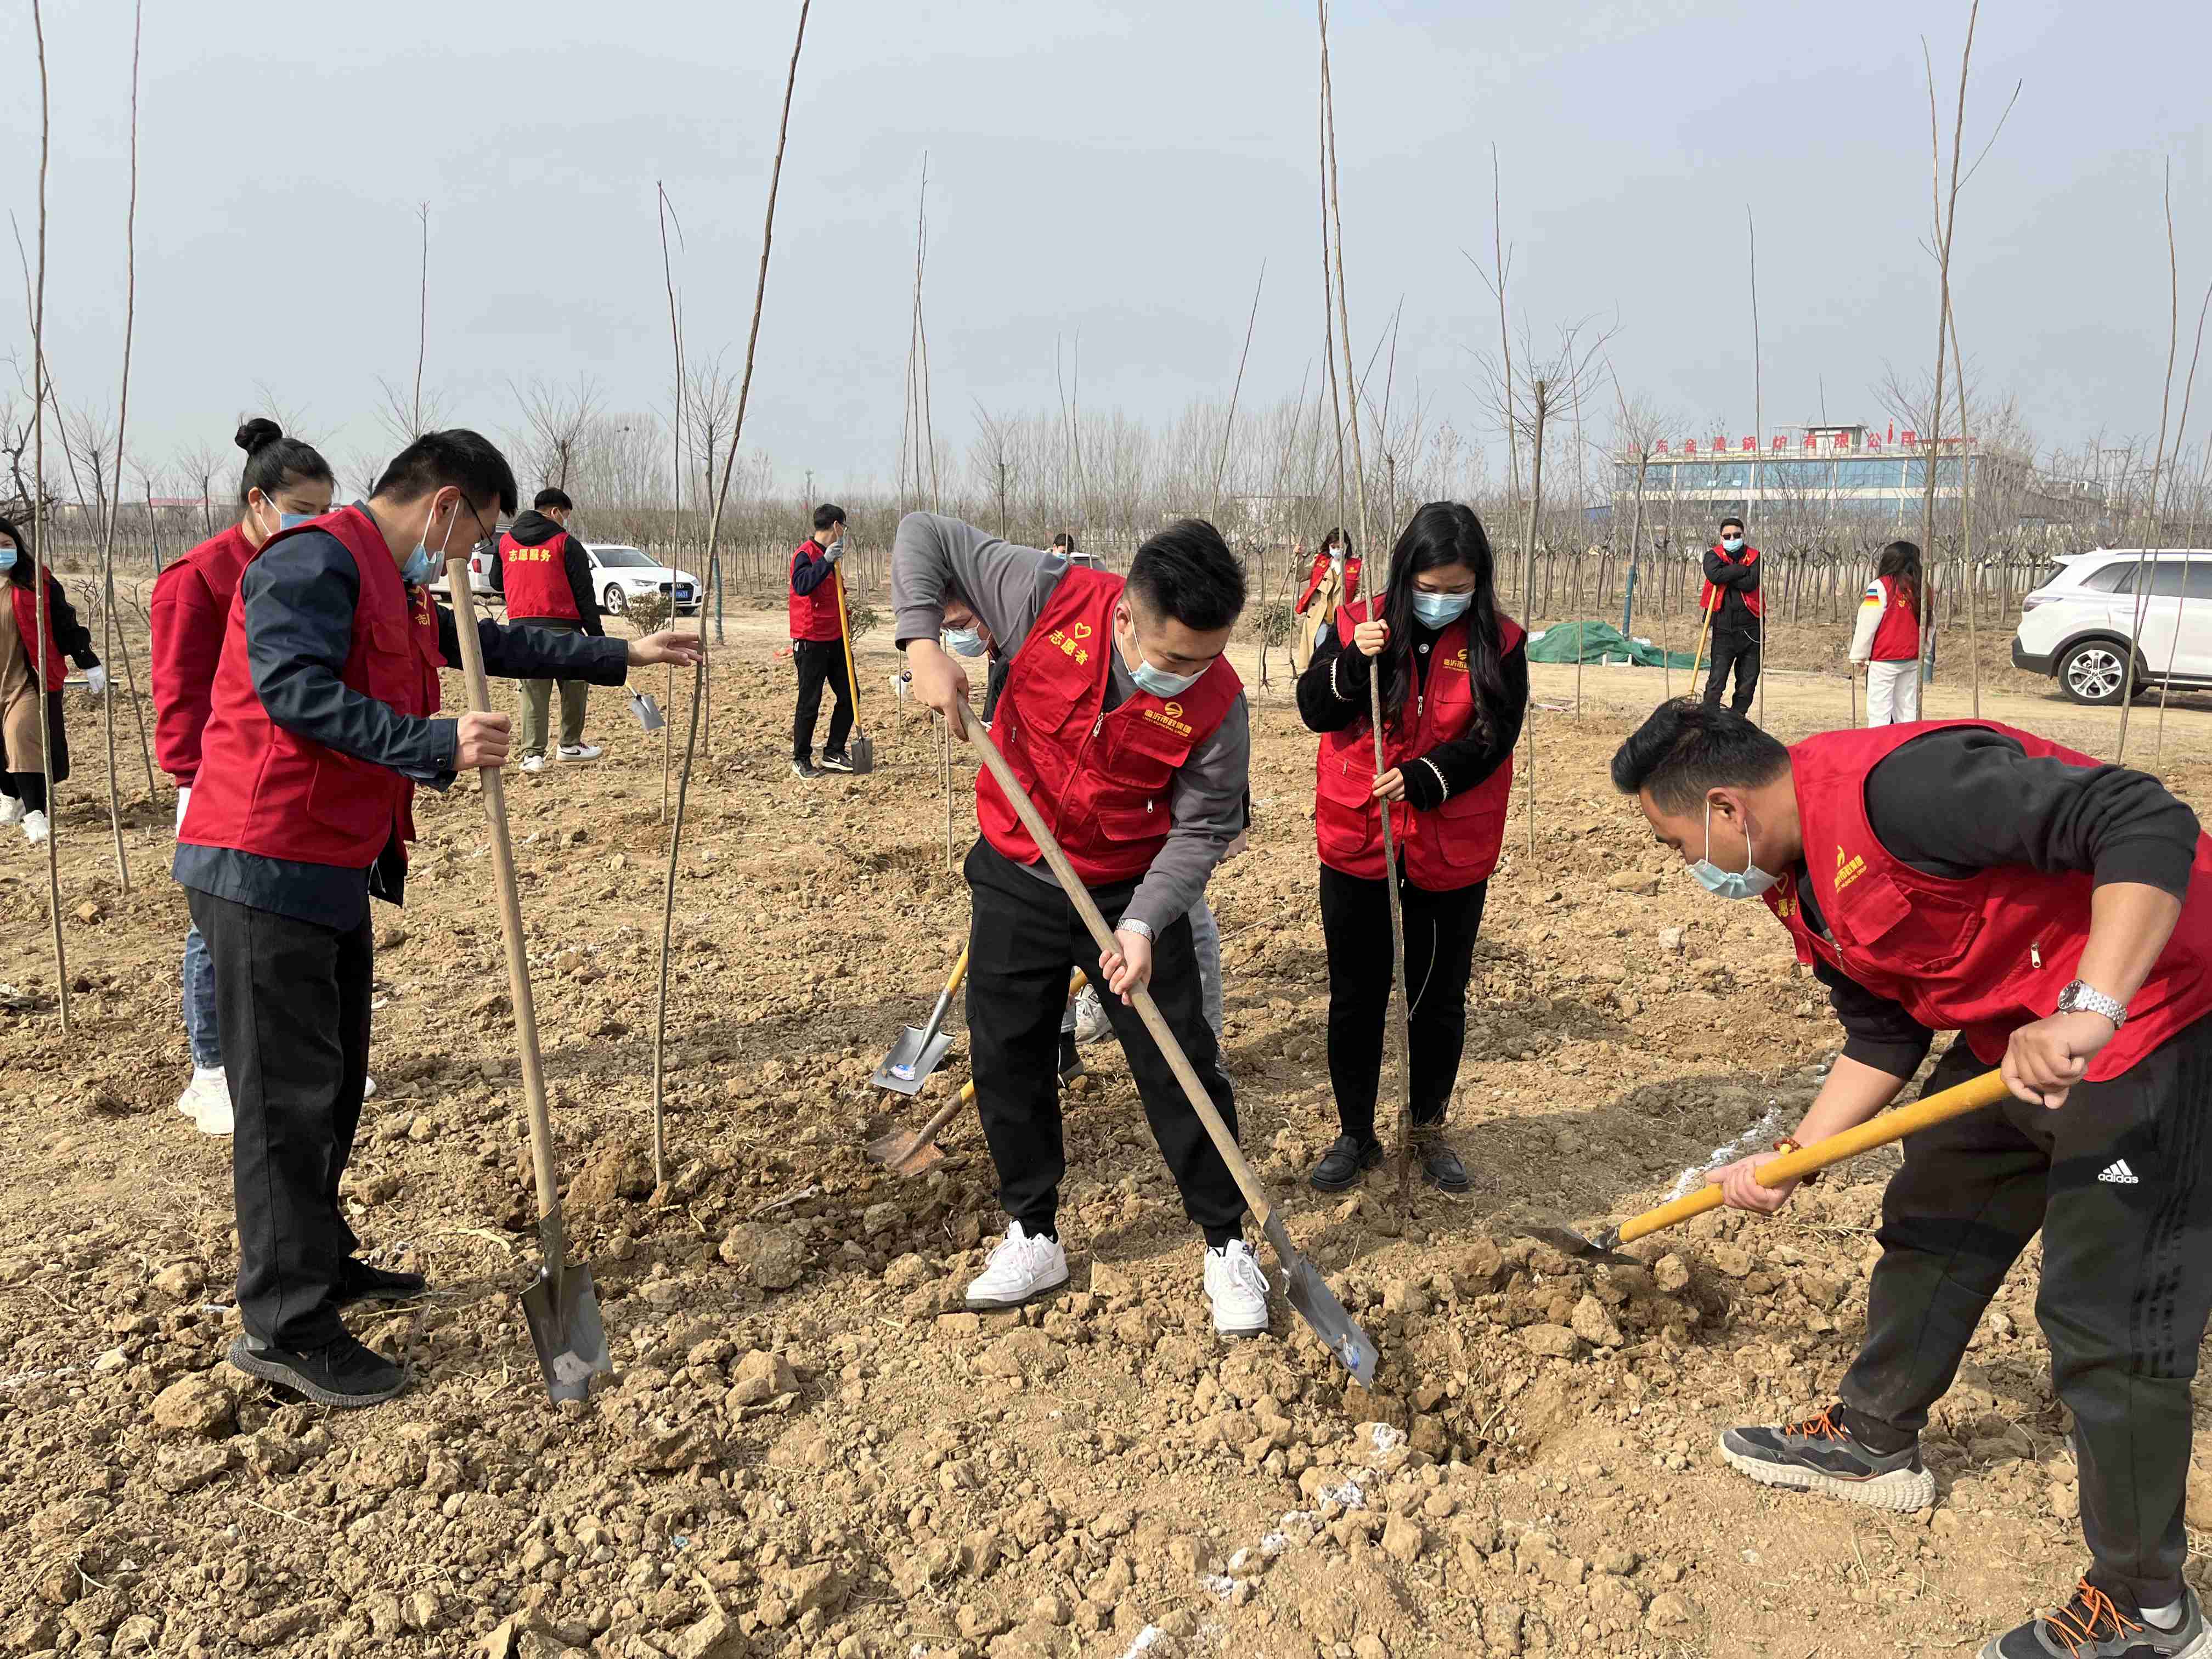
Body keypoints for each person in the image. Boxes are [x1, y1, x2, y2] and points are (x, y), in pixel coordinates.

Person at [1611, 698, 2212, 1659]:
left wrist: (2089, 1007)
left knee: (2107, 1310)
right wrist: (1795, 1155)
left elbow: (2144, 816)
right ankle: (1874, 1433)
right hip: (2015, 1029)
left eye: (1673, 840)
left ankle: (2149, 1608)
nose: (1683, 863)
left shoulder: (1903, 791)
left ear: (1728, 809)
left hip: (2156, 1011)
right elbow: (1884, 1029)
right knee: (1935, 1200)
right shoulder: (1796, 880)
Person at [176, 428, 701, 1409]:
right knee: (285, 1102)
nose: (472, 563)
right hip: (260, 859)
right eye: (480, 539)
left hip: (327, 864)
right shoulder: (313, 562)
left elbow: (490, 642)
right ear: (448, 504)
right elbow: (293, 693)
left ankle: (321, 1260)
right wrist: (432, 739)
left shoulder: (400, 582)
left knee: (329, 1090)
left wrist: (618, 651)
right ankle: (283, 1325)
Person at [896, 511, 1267, 1335]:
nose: (1189, 675)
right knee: (1008, 1052)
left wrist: (1142, 924)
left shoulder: (1218, 703)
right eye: (1173, 658)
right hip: (1019, 865)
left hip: (1129, 887)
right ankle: (1033, 1232)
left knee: (1179, 1063)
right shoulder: (1045, 593)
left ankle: (1225, 1241)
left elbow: (1203, 827)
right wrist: (922, 645)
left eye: (1208, 658)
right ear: (1126, 615)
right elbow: (925, 535)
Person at [1296, 501, 1526, 1193]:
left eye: (1457, 588)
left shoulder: (1502, 643)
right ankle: (1355, 1134)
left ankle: (1427, 1130)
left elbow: (1495, 736)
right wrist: (1347, 665)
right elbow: (1314, 709)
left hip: (1449, 839)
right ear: (1405, 576)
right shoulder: (1357, 621)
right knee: (1357, 994)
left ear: (1479, 583)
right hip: (1360, 835)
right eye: (1429, 586)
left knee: (1438, 997)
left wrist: (1430, 778)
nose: (1441, 600)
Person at [152, 419, 337, 1135]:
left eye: (325, 513)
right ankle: (212, 1072)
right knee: (217, 931)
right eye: (303, 512)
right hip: (217, 786)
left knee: (291, 923)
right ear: (258, 501)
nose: (315, 527)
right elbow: (179, 696)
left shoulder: (312, 569)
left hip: (289, 779)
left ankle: (288, 1058)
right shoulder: (198, 580)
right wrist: (196, 784)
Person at [0, 514, 103, 847]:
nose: (2, 552)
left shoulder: (35, 581)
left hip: (30, 677)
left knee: (21, 736)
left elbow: (63, 620)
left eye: (6, 545)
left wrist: (86, 660)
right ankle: (9, 795)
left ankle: (35, 813)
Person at [499, 487, 606, 772]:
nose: (564, 522)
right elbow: (584, 594)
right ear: (556, 512)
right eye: (565, 516)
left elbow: (497, 581)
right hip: (564, 627)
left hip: (523, 629)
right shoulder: (565, 543)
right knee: (574, 687)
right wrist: (597, 636)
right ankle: (569, 745)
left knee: (533, 693)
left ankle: (532, 755)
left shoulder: (506, 543)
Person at [791, 504, 857, 778]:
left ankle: (834, 751)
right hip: (811, 639)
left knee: (851, 695)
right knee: (810, 701)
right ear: (837, 526)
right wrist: (826, 561)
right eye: (844, 528)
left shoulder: (834, 557)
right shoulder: (805, 554)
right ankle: (801, 758)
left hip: (836, 638)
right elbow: (802, 585)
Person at [1850, 539, 1923, 726]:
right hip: (1913, 658)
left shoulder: (1880, 586)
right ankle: (1909, 749)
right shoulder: (1923, 587)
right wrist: (1925, 651)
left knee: (1879, 712)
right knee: (1908, 711)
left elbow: (1868, 621)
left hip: (1885, 659)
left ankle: (1881, 750)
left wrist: (1860, 655)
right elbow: (1930, 624)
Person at [1699, 517, 1761, 717]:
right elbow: (1714, 576)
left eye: (1737, 535)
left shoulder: (1755, 556)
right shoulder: (1712, 555)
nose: (1732, 538)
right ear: (1721, 537)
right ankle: (1708, 721)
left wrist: (1727, 574)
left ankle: (1736, 721)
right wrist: (1740, 571)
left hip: (1751, 629)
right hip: (1724, 629)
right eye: (1728, 536)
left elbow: (1751, 583)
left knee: (1747, 683)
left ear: (1743, 535)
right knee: (1716, 681)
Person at [1290, 528, 1360, 676]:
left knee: (1339, 652)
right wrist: (1298, 557)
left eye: (1340, 546)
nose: (1336, 550)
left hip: (1342, 618)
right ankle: (1320, 678)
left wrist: (1356, 604)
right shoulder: (1320, 561)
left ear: (1347, 545)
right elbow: (1300, 575)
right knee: (1323, 648)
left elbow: (1361, 590)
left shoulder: (1356, 566)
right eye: (1333, 547)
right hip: (1319, 616)